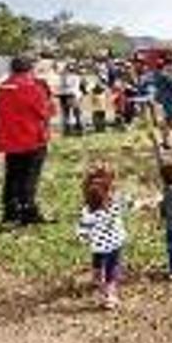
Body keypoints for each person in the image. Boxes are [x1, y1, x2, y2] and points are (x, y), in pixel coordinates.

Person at [0, 55, 55, 225]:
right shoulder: (32, 87)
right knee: (29, 177)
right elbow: (46, 112)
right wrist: (48, 95)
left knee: (12, 175)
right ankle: (28, 211)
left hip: (10, 140)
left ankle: (10, 211)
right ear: (29, 69)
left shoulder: (4, 87)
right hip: (31, 139)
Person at [76, 164, 131, 309]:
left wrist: (83, 238)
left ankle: (96, 277)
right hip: (114, 243)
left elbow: (82, 229)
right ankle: (109, 296)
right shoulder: (114, 205)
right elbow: (129, 204)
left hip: (97, 244)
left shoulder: (87, 211)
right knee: (111, 269)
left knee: (97, 259)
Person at [57, 64, 84, 135]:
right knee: (72, 112)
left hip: (70, 95)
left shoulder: (65, 77)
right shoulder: (75, 77)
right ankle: (73, 127)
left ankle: (74, 127)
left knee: (71, 112)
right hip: (70, 95)